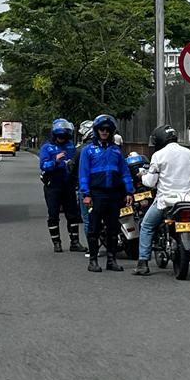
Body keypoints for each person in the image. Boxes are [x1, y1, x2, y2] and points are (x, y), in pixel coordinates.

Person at [132, 124, 190, 276]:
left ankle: (143, 262)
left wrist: (142, 176)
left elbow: (151, 182)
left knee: (146, 225)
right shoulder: (187, 152)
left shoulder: (158, 155)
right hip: (188, 199)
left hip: (165, 200)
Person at [78, 115, 133, 272]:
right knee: (94, 228)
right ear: (96, 130)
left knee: (113, 229)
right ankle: (93, 261)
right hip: (96, 194)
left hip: (114, 195)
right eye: (102, 129)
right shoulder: (88, 150)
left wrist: (129, 191)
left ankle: (111, 260)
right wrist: (86, 194)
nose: (104, 132)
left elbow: (125, 172)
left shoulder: (116, 150)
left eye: (107, 129)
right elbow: (83, 173)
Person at [38, 119, 84, 253]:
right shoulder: (47, 148)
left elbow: (75, 162)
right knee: (53, 214)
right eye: (59, 136)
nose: (61, 139)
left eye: (63, 136)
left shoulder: (70, 146)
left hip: (68, 184)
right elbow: (43, 166)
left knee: (73, 214)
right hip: (52, 185)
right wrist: (56, 161)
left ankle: (75, 242)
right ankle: (56, 243)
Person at [69, 120, 95, 251]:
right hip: (104, 189)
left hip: (86, 190)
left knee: (88, 220)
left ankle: (92, 248)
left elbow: (73, 170)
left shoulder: (80, 150)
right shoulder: (110, 148)